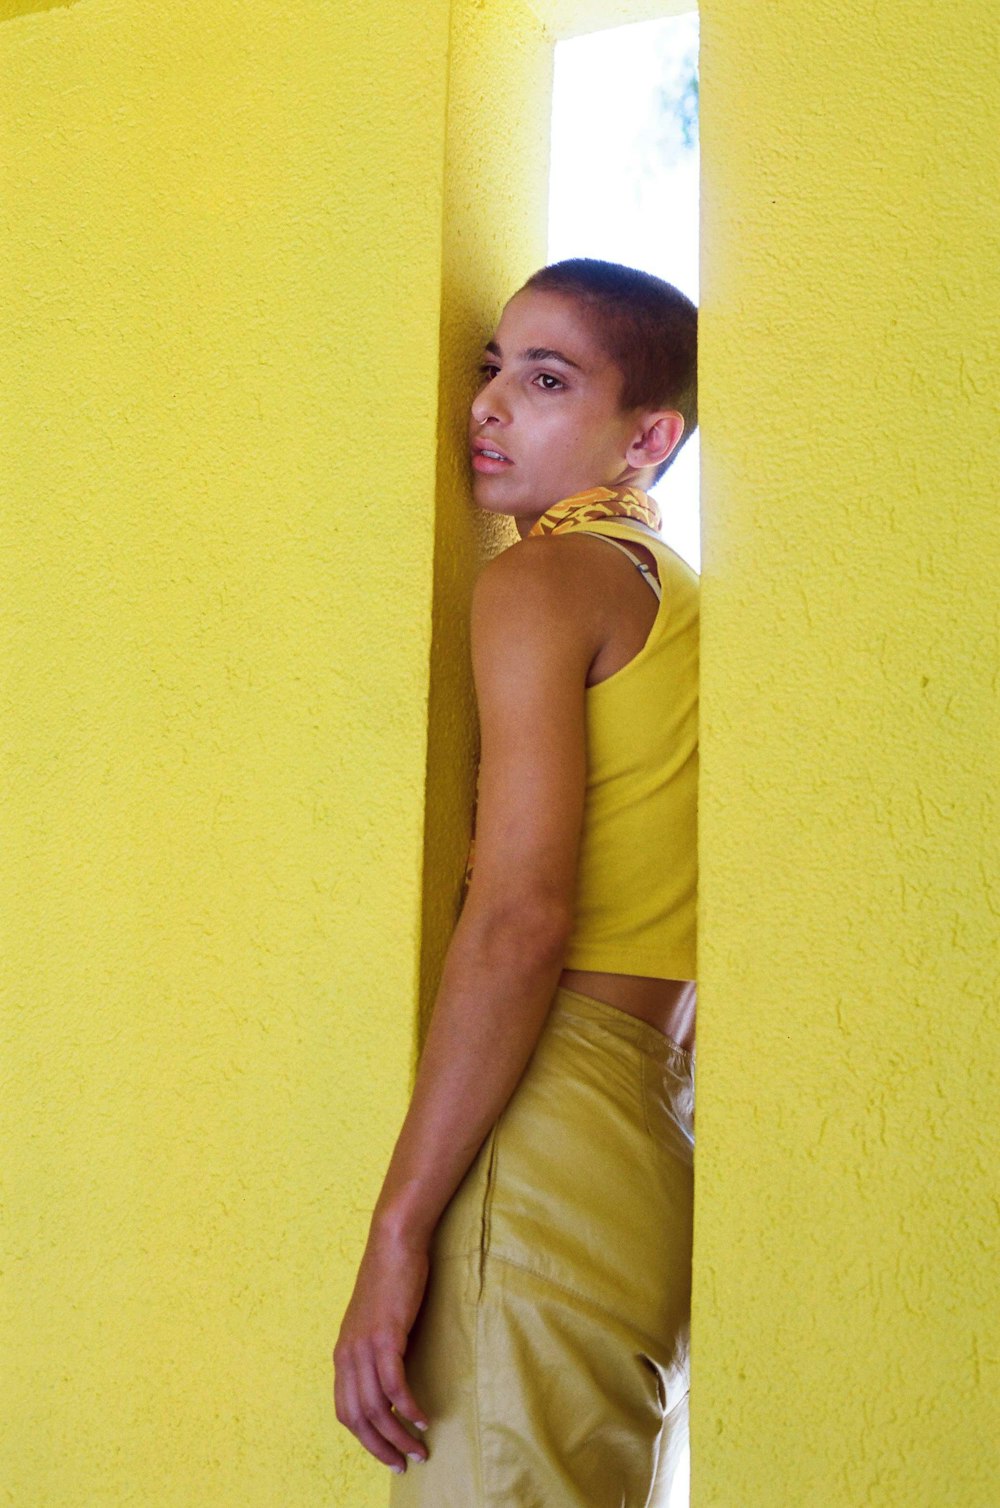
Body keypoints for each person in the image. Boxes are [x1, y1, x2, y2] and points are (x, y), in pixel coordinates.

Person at [333, 258, 699, 1506]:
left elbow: (519, 918)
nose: (488, 402)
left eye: (546, 379)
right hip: (653, 1130)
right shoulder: (686, 603)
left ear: (648, 436)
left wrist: (394, 1230)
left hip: (541, 1118)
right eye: (492, 365)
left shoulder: (539, 581)